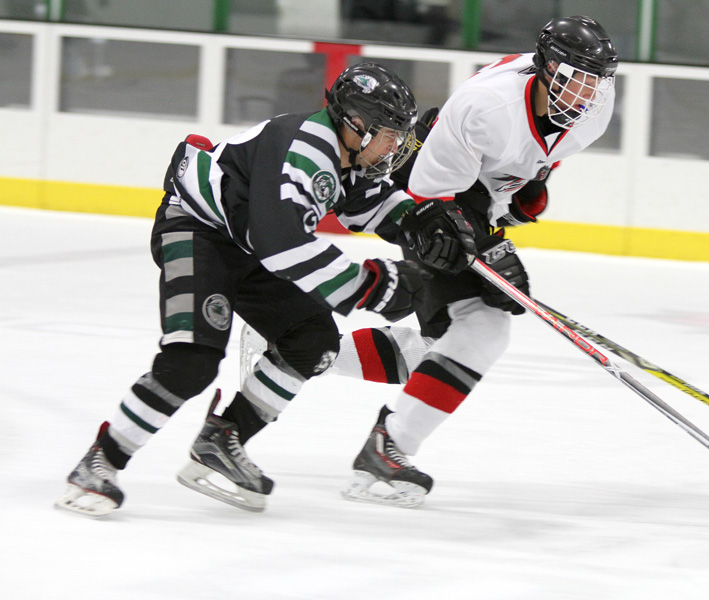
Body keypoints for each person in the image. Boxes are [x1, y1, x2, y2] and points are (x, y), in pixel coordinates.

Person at [55, 62, 475, 517]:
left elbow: (365, 203)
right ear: (355, 124)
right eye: (389, 134)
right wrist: (371, 285)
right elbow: (284, 247)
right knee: (192, 360)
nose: (395, 146)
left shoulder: (347, 153)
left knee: (312, 341)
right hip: (197, 229)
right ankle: (100, 463)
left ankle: (224, 438)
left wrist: (419, 222)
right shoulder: (306, 152)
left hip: (248, 243)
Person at [335, 16, 619, 507]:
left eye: (596, 82)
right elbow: (429, 199)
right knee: (481, 329)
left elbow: (539, 156)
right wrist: (488, 250)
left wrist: (519, 196)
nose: (587, 94)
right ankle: (388, 445)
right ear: (547, 69)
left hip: (475, 192)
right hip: (426, 184)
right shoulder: (486, 107)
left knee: (441, 350)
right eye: (576, 79)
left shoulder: (595, 109)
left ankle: (299, 346)